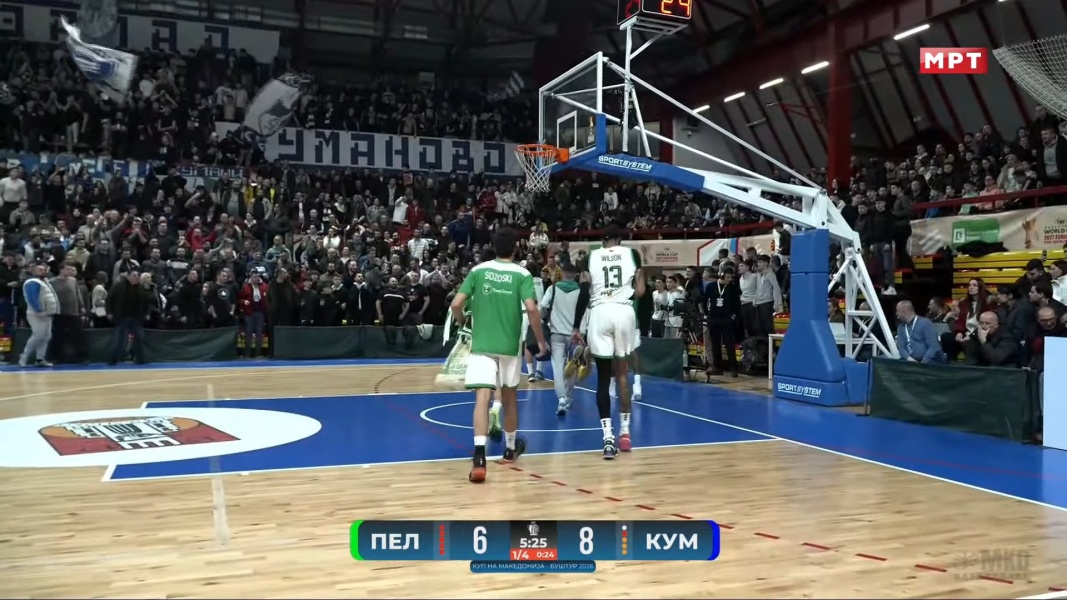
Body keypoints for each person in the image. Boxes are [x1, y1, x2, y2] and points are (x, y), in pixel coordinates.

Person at [449, 227, 547, 484]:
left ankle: (479, 458)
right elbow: (531, 309)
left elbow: (456, 304)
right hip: (509, 346)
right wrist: (540, 340)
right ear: (515, 248)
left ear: (493, 246)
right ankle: (510, 449)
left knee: (482, 398)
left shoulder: (478, 271)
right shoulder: (522, 274)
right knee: (510, 398)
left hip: (482, 344)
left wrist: (463, 324)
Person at [572, 224, 646, 459]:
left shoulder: (591, 256)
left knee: (604, 379)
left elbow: (584, 292)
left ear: (603, 241)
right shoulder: (633, 254)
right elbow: (641, 291)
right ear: (620, 240)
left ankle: (607, 439)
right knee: (622, 374)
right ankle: (625, 433)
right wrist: (626, 294)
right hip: (624, 311)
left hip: (600, 311)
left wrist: (576, 326)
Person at [541, 262, 587, 415]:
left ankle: (561, 399)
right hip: (575, 334)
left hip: (556, 333)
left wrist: (543, 321)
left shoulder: (553, 289)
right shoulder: (581, 291)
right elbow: (586, 313)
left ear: (562, 272)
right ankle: (568, 396)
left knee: (558, 367)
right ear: (575, 275)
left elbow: (543, 308)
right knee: (572, 366)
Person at [704, 267, 742, 376]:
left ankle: (733, 368)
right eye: (727, 277)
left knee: (730, 344)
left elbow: (737, 304)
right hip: (713, 319)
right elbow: (704, 300)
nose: (729, 279)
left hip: (726, 319)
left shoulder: (732, 287)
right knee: (715, 344)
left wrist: (733, 316)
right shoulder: (711, 286)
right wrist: (707, 314)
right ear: (721, 275)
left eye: (731, 277)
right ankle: (717, 367)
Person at [19, 263, 58, 368]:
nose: (43, 271)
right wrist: (38, 310)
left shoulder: (45, 282)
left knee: (46, 336)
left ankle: (40, 359)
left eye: (44, 270)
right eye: (40, 270)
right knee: (38, 335)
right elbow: (32, 298)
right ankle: (24, 357)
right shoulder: (32, 282)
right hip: (36, 313)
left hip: (47, 313)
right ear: (33, 271)